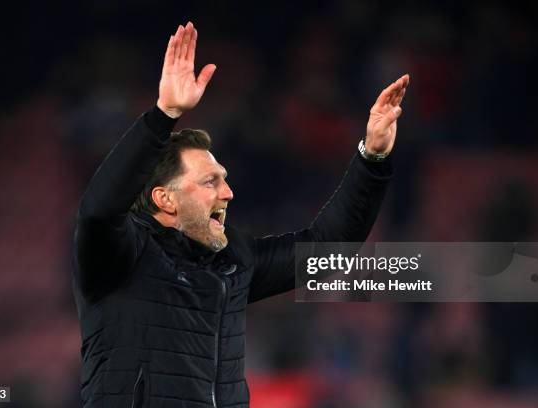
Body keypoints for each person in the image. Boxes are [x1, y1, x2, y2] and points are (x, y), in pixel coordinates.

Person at [73, 21, 409, 408]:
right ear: (165, 199)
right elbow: (98, 211)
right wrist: (163, 115)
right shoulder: (119, 256)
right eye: (210, 182)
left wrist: (373, 155)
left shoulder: (232, 261)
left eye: (225, 180)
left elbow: (326, 248)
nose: (228, 193)